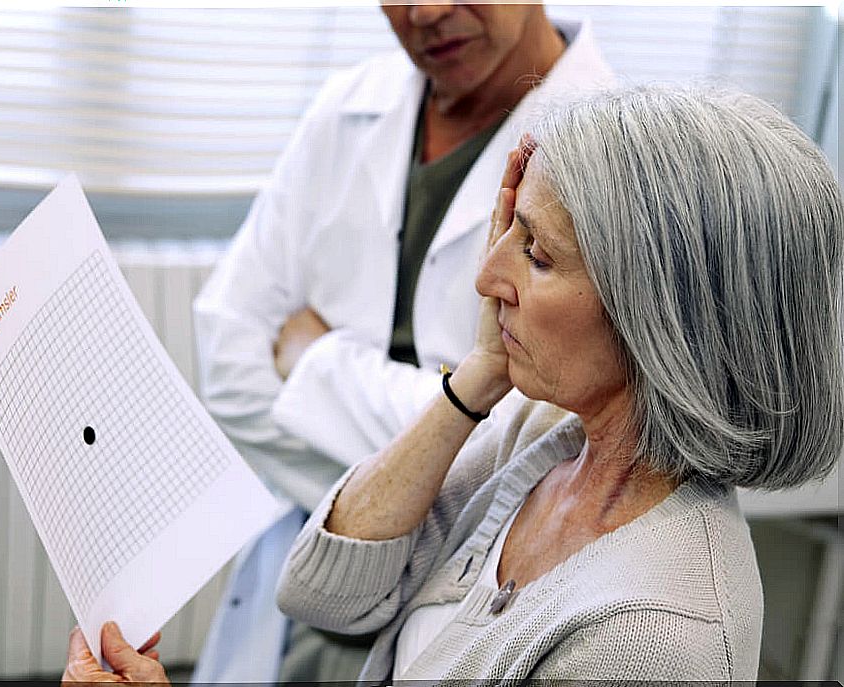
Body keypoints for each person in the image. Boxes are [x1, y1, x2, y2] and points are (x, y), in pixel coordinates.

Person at [62, 84, 843, 682]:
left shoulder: (657, 634)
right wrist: (477, 379)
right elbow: (323, 591)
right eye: (509, 228)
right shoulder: (542, 436)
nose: (486, 274)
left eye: (535, 254)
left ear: (662, 318)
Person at [191, 3, 613, 682]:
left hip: (455, 623)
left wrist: (315, 362)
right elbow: (227, 362)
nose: (426, 11)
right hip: (295, 602)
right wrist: (443, 448)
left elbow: (549, 446)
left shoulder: (618, 155)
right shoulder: (346, 106)